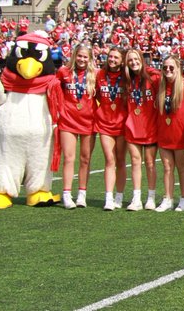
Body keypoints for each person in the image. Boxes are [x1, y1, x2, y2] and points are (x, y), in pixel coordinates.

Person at [56, 45, 97, 209]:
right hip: (68, 121)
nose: (82, 59)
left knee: (85, 159)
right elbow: (53, 90)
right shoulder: (63, 72)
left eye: (85, 57)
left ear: (90, 59)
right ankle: (67, 194)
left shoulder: (95, 74)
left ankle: (82, 194)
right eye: (79, 56)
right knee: (69, 158)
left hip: (89, 121)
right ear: (74, 56)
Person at [154, 56, 184, 212]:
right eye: (165, 68)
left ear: (178, 69)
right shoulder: (160, 86)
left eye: (171, 68)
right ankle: (168, 198)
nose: (168, 71)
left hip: (180, 135)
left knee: (181, 167)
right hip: (164, 133)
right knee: (167, 168)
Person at [122, 49, 159, 211]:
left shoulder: (153, 77)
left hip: (150, 125)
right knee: (135, 162)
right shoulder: (126, 79)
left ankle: (150, 197)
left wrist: (151, 70)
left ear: (141, 60)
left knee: (150, 163)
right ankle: (136, 198)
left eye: (136, 59)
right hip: (132, 126)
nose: (133, 62)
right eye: (130, 60)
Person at [94, 48, 128, 210]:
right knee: (109, 159)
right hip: (105, 123)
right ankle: (108, 197)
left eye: (116, 57)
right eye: (110, 56)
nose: (112, 59)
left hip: (123, 124)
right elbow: (97, 95)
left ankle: (119, 197)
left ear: (122, 61)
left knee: (121, 161)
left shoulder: (127, 76)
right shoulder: (100, 74)